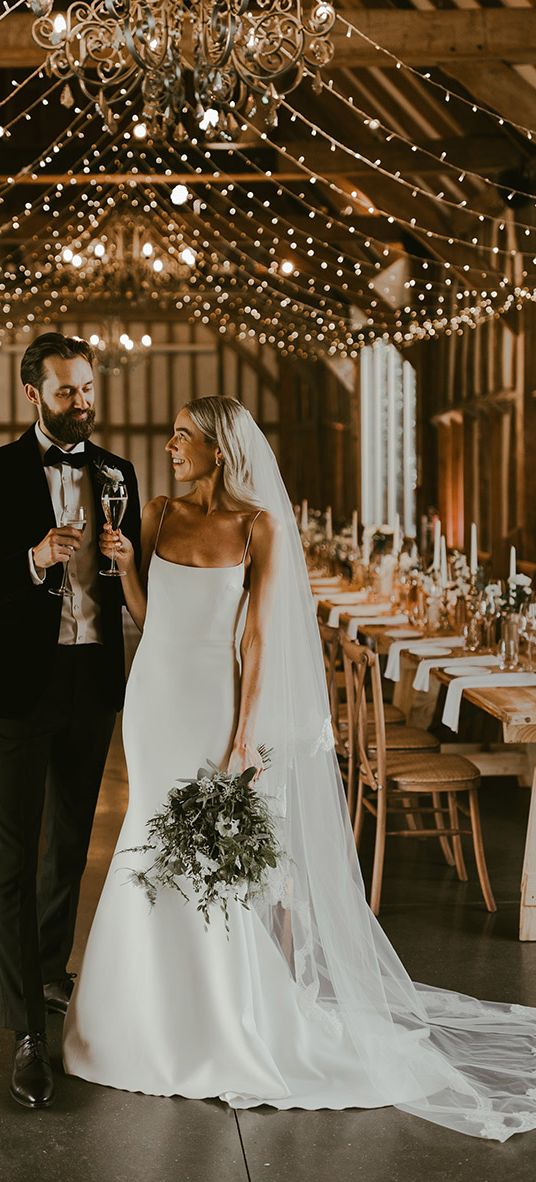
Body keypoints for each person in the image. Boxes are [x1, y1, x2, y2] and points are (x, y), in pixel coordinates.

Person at [64, 396, 536, 1143]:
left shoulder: (260, 526)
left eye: (183, 435)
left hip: (215, 705)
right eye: (172, 433)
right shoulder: (156, 512)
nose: (169, 445)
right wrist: (126, 569)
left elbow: (255, 640)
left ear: (219, 449)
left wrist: (247, 734)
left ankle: (223, 1013)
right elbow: (153, 622)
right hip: (153, 698)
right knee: (147, 838)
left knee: (207, 857)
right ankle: (137, 1017)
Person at [0, 332, 141, 1109]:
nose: (82, 402)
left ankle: (50, 974)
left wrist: (125, 560)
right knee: (15, 858)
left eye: (88, 388)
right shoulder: (0, 472)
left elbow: (138, 581)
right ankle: (25, 1030)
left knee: (68, 849)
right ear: (33, 394)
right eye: (66, 391)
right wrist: (32, 559)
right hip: (20, 687)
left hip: (92, 682)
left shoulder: (118, 473)